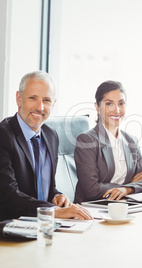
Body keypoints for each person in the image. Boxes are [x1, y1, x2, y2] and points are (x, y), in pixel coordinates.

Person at [0, 71, 93, 221]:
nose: (40, 107)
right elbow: (7, 194)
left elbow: (45, 190)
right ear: (19, 98)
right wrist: (53, 211)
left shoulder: (51, 136)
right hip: (12, 227)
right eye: (32, 98)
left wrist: (57, 196)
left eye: (47, 100)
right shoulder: (3, 135)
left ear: (53, 104)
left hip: (45, 225)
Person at [74, 80, 142, 203]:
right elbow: (91, 190)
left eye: (121, 103)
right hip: (93, 208)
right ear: (97, 107)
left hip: (125, 205)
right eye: (109, 104)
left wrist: (127, 190)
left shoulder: (131, 140)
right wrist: (128, 185)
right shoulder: (87, 140)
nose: (117, 110)